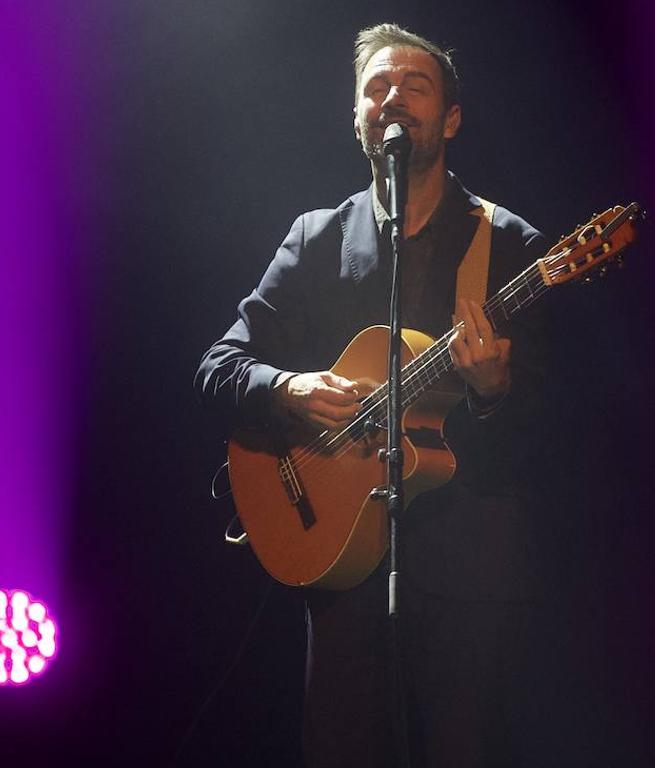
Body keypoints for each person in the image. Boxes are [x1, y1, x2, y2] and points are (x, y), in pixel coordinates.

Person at [196, 23, 551, 767]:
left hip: (467, 572)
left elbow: (563, 425)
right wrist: (287, 387)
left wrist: (492, 392)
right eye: (375, 87)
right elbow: (221, 363)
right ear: (356, 117)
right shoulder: (316, 240)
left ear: (450, 118)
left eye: (414, 86)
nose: (392, 98)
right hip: (341, 569)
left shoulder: (511, 243)